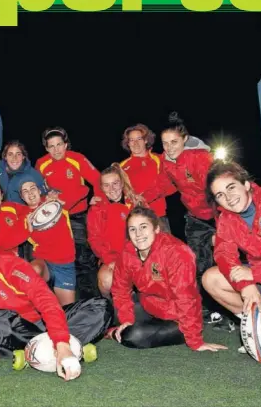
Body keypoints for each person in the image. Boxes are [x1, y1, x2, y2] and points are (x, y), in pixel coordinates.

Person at [0, 235, 112, 379]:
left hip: (42, 323)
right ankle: (74, 349)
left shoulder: (12, 267)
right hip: (17, 333)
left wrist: (61, 342)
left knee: (101, 307)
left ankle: (45, 353)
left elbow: (46, 301)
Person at [201, 161, 261, 355]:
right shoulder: (226, 218)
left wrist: (254, 273)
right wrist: (246, 283)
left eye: (231, 188)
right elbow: (224, 254)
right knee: (211, 278)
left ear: (245, 184)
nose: (228, 198)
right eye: (220, 195)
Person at [141, 112, 226, 327]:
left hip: (218, 214)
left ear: (185, 139)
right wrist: (142, 197)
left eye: (174, 142)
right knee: (196, 262)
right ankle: (206, 309)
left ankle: (235, 305)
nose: (169, 148)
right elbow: (164, 185)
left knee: (224, 258)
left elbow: (215, 190)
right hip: (195, 217)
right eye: (165, 143)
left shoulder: (199, 158)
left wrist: (221, 223)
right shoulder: (166, 161)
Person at [109, 207, 227, 352]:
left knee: (133, 335)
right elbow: (120, 290)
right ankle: (120, 328)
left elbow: (186, 298)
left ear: (156, 229)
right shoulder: (127, 252)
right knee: (107, 310)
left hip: (176, 316)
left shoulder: (176, 252)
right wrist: (126, 319)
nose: (138, 234)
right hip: (149, 305)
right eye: (132, 229)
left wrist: (195, 341)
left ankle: (115, 333)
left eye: (143, 227)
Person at [35, 127, 103, 300]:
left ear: (66, 145)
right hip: (55, 221)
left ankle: (92, 302)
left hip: (77, 217)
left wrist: (97, 201)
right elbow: (37, 192)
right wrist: (46, 196)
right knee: (58, 262)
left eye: (59, 145)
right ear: (46, 148)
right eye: (52, 146)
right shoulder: (41, 164)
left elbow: (97, 180)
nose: (56, 150)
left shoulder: (77, 159)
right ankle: (63, 304)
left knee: (83, 260)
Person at [15, 177, 77, 305]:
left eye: (33, 188)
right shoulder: (23, 216)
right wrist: (27, 229)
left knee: (68, 310)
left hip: (65, 264)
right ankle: (36, 306)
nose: (30, 193)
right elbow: (13, 240)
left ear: (39, 190)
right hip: (44, 262)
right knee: (33, 269)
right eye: (25, 191)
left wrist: (59, 196)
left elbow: (82, 191)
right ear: (22, 197)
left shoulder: (54, 202)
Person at [87, 164, 143, 297]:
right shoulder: (96, 209)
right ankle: (111, 309)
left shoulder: (136, 203)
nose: (111, 189)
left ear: (122, 183)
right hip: (113, 257)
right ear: (101, 187)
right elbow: (94, 239)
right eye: (106, 185)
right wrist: (109, 259)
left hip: (138, 256)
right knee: (106, 279)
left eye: (115, 183)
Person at [119, 124, 170, 231]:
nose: (135, 143)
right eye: (131, 140)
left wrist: (146, 197)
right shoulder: (121, 166)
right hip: (134, 217)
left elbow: (169, 184)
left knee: (166, 247)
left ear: (146, 140)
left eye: (139, 139)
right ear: (128, 143)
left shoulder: (159, 159)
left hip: (158, 216)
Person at [0, 140, 47, 204]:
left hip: (24, 212)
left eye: (18, 154)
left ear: (23, 156)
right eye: (10, 154)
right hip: (3, 210)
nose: (14, 158)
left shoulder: (32, 173)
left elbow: (44, 193)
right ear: (5, 157)